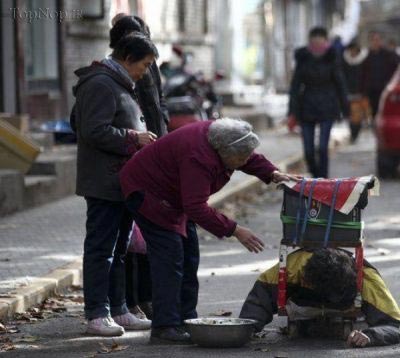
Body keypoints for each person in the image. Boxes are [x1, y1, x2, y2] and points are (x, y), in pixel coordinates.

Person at [119, 118, 301, 344]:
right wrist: (234, 229)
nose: (243, 162)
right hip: (148, 193)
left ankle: (186, 320)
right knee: (170, 259)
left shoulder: (223, 138)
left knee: (189, 256)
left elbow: (245, 156)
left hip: (173, 196)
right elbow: (195, 207)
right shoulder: (199, 157)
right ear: (223, 153)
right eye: (239, 159)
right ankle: (165, 327)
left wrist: (272, 173)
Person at [73, 33, 159, 336]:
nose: (145, 71)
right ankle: (96, 314)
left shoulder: (119, 83)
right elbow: (92, 130)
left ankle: (119, 309)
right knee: (101, 249)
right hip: (103, 181)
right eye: (145, 64)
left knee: (120, 248)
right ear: (127, 58)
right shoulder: (99, 83)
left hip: (122, 180)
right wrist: (133, 138)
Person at [109, 14, 169, 321]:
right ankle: (128, 301)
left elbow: (158, 105)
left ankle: (144, 298)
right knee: (128, 239)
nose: (144, 70)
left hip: (153, 149)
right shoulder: (110, 78)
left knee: (144, 235)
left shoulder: (148, 65)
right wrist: (136, 140)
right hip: (134, 154)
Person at [240, 248, 400, 347]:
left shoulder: (367, 278)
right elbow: (257, 303)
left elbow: (394, 325)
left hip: (346, 303)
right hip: (302, 304)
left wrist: (371, 336)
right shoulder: (292, 267)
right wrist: (244, 330)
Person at [288, 26, 349, 178]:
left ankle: (323, 179)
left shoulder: (331, 57)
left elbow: (340, 83)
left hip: (327, 105)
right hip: (306, 105)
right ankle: (315, 176)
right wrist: (292, 111)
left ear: (325, 40)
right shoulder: (303, 58)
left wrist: (345, 107)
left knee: (322, 147)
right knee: (308, 150)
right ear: (310, 41)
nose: (316, 43)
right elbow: (295, 86)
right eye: (313, 40)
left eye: (319, 39)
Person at [361, 32, 399, 118]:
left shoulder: (389, 54)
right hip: (371, 89)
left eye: (377, 40)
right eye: (373, 40)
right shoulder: (367, 56)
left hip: (385, 89)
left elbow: (397, 67)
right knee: (374, 112)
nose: (376, 42)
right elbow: (362, 74)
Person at [342, 40, 371, 143]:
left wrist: (364, 91)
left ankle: (355, 133)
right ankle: (353, 133)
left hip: (360, 92)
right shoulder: (344, 60)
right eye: (351, 50)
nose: (353, 52)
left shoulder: (364, 60)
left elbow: (367, 77)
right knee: (350, 115)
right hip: (348, 92)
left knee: (357, 116)